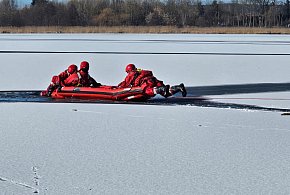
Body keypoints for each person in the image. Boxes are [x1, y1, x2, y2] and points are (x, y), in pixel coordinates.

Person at [118, 63, 187, 98]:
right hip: (154, 80)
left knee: (146, 91)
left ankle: (162, 89)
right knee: (166, 94)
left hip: (147, 82)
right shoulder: (140, 71)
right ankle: (178, 87)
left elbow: (126, 83)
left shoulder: (131, 74)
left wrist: (119, 87)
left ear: (129, 70)